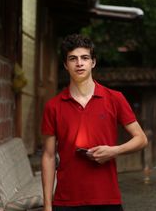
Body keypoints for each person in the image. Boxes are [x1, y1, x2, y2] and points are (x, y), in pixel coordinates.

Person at [41, 34, 148, 211]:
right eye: (73, 59)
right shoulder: (53, 106)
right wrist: (47, 205)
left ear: (93, 62)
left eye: (85, 58)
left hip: (106, 198)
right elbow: (48, 156)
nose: (79, 63)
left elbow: (141, 139)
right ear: (65, 65)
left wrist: (114, 151)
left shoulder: (115, 98)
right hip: (66, 200)